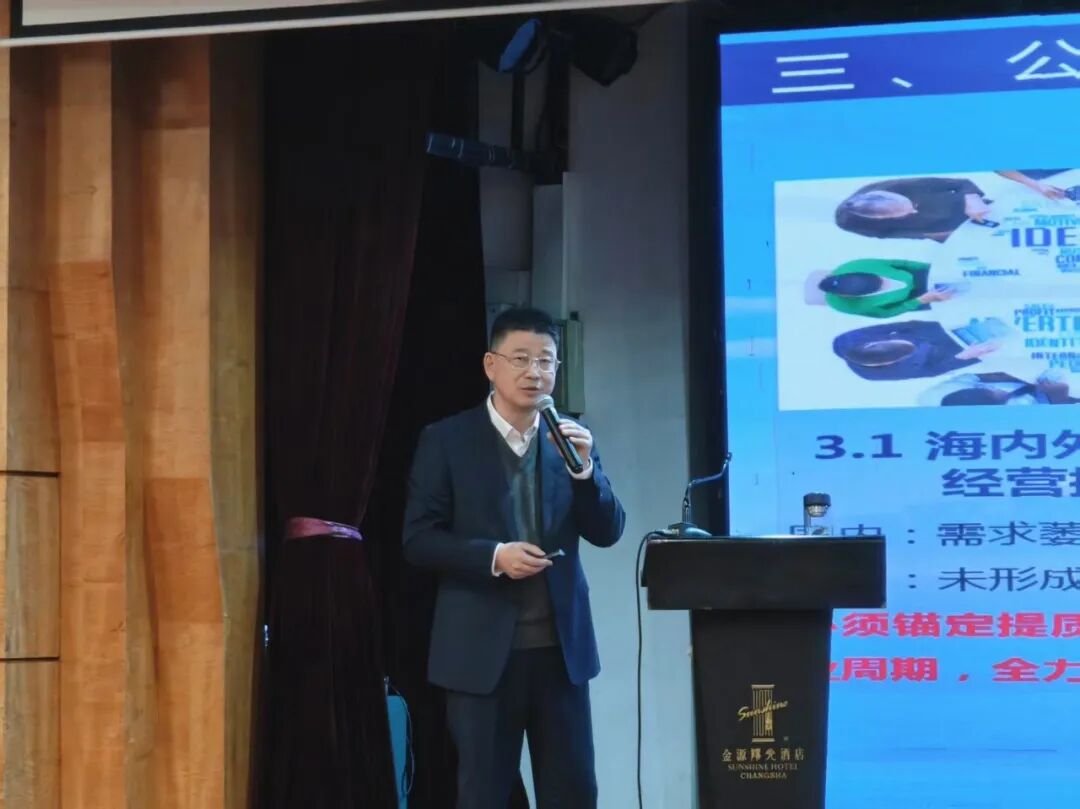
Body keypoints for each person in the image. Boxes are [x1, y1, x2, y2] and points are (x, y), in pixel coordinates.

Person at [403, 306, 625, 809]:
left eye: (546, 361)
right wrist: (494, 556)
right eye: (521, 359)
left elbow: (608, 530)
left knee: (573, 793)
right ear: (491, 365)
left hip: (560, 655)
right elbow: (418, 539)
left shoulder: (570, 439)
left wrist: (586, 473)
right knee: (484, 794)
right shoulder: (447, 440)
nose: (534, 372)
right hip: (481, 658)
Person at [834, 171, 1065, 242]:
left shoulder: (896, 186)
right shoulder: (861, 225)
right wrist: (951, 234)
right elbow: (919, 235)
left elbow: (960, 184)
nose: (914, 211)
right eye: (906, 215)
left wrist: (972, 199)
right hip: (950, 229)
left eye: (912, 206)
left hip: (970, 208)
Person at [832, 319, 998, 381]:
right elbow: (931, 370)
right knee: (995, 345)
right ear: (888, 363)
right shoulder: (873, 374)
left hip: (929, 332)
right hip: (944, 355)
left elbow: (902, 325)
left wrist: (947, 325)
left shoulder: (848, 339)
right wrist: (963, 357)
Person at [804, 258, 960, 318]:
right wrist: (920, 301)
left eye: (881, 280)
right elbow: (886, 313)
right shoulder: (847, 306)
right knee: (958, 301)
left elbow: (901, 264)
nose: (886, 284)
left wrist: (935, 267)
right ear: (849, 296)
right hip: (911, 300)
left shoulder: (855, 265)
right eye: (880, 288)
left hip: (915, 274)